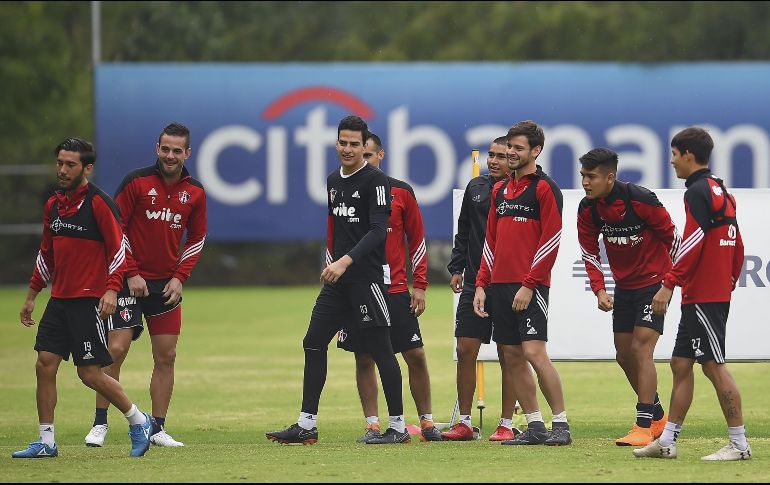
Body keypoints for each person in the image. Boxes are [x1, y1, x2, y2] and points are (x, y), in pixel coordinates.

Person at [266, 116, 407, 445]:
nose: (347, 149)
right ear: (336, 143)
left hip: (366, 280)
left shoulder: (376, 181)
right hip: (338, 282)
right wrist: (334, 263)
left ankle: (398, 427)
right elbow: (338, 230)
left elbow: (378, 232)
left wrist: (345, 261)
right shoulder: (333, 180)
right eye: (343, 142)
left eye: (354, 144)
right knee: (313, 342)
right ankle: (306, 425)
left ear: (364, 146)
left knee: (381, 350)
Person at [14, 137, 153, 458]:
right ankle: (46, 442)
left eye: (70, 165)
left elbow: (118, 251)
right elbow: (46, 254)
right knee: (44, 364)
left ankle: (138, 420)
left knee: (89, 373)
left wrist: (111, 289)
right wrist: (32, 295)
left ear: (87, 168)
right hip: (59, 300)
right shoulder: (53, 204)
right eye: (60, 163)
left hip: (88, 301)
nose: (62, 170)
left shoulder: (100, 203)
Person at [84, 123, 207, 448]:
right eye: (165, 149)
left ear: (187, 153)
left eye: (177, 150)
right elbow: (116, 228)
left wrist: (179, 278)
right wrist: (131, 272)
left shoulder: (195, 192)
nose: (170, 155)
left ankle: (158, 429)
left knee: (166, 355)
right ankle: (100, 423)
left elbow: (197, 237)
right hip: (128, 280)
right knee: (116, 349)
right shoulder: (136, 182)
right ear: (157, 149)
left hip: (166, 285)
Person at [634, 127, 751, 461]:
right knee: (680, 363)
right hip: (706, 293)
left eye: (674, 154)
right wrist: (729, 278)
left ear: (688, 154)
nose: (671, 161)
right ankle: (667, 442)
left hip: (703, 295)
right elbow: (737, 241)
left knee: (713, 366)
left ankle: (739, 444)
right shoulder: (720, 189)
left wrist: (669, 282)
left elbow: (693, 240)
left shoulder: (697, 191)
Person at [336, 132, 441, 443]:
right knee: (364, 356)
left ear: (380, 155)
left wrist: (419, 285)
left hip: (394, 289)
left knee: (415, 354)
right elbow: (335, 239)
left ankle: (427, 422)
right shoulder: (344, 191)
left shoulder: (401, 192)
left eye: (368, 155)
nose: (363, 160)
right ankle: (372, 424)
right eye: (360, 154)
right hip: (358, 287)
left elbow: (416, 239)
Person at [473, 120, 571, 446]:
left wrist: (529, 284)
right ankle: (535, 426)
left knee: (533, 352)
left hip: (530, 286)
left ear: (536, 151)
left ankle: (561, 425)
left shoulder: (544, 188)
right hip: (498, 285)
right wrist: (482, 284)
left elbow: (551, 240)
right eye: (509, 147)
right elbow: (491, 241)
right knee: (511, 355)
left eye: (518, 148)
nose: (511, 153)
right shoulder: (500, 190)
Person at [577, 147, 679, 446]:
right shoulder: (588, 209)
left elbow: (674, 241)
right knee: (623, 355)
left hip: (655, 285)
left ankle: (643, 426)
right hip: (624, 287)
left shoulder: (641, 199)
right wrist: (599, 288)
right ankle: (657, 416)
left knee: (640, 350)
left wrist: (669, 285)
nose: (585, 182)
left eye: (591, 177)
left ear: (610, 178)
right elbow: (589, 251)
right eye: (583, 175)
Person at [443, 136, 522, 442]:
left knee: (508, 353)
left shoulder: (521, 191)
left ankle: (506, 423)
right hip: (474, 280)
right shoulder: (475, 187)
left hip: (507, 283)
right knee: (465, 349)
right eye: (491, 155)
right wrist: (456, 267)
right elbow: (463, 230)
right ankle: (464, 423)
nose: (493, 161)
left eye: (501, 156)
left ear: (513, 159)